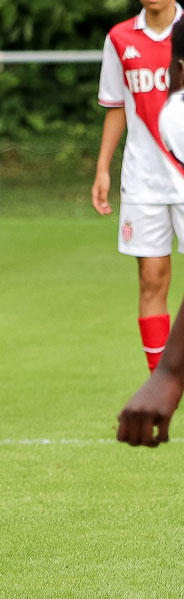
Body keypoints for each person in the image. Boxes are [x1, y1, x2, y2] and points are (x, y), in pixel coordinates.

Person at [93, 0, 184, 372]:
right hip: (142, 180)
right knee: (151, 280)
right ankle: (159, 384)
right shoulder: (119, 38)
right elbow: (116, 105)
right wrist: (103, 169)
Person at [117, 19, 184, 445]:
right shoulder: (173, 119)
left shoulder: (176, 116)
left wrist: (170, 374)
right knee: (152, 278)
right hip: (144, 185)